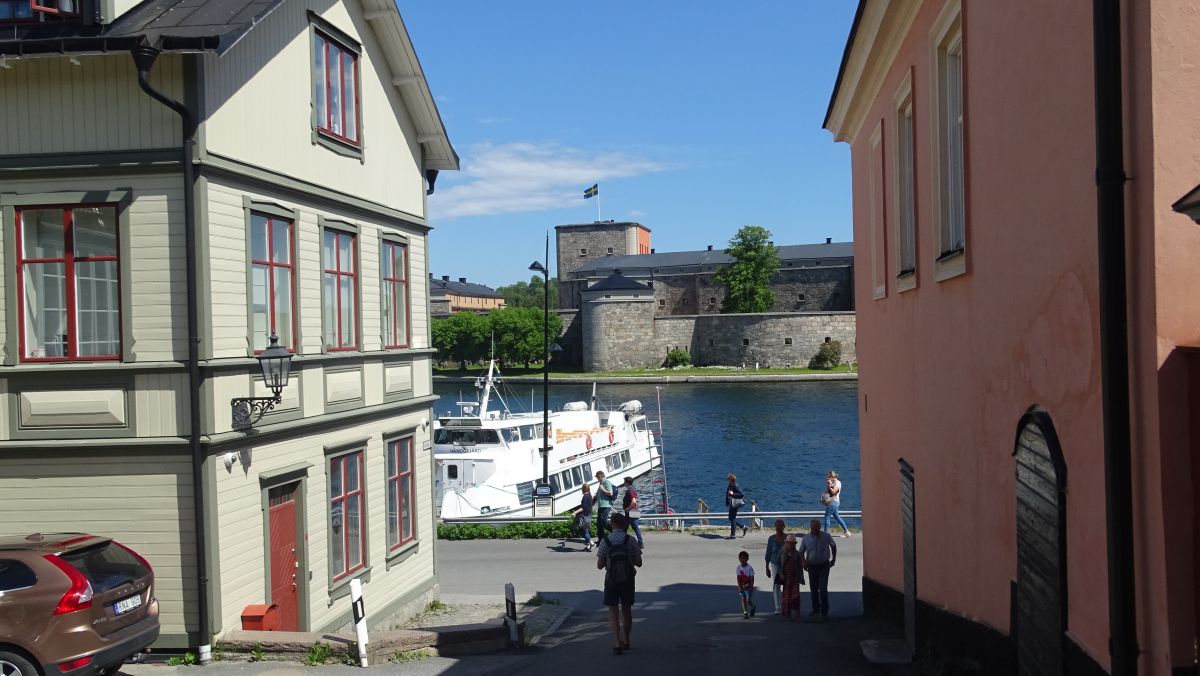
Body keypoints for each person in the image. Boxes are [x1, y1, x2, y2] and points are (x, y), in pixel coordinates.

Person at [597, 512, 642, 655]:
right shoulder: (631, 540)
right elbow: (639, 563)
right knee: (626, 610)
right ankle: (627, 640)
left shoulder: (605, 541)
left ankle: (617, 643)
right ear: (623, 524)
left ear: (611, 524)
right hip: (628, 579)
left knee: (613, 611)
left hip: (611, 580)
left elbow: (599, 565)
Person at [799, 518, 837, 619]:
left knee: (823, 588)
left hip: (824, 565)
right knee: (814, 589)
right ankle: (815, 609)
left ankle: (825, 610)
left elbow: (833, 546)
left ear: (820, 528)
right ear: (810, 528)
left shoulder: (826, 536)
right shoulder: (806, 538)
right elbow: (801, 552)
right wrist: (803, 562)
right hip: (811, 566)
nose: (815, 531)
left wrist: (833, 559)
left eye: (817, 529)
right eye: (813, 529)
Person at [764, 519, 788, 614]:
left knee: (786, 585)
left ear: (784, 527)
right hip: (774, 564)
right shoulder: (771, 539)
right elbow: (768, 553)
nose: (778, 528)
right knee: (776, 585)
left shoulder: (788, 538)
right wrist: (767, 568)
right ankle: (778, 607)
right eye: (777, 526)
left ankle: (786, 605)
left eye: (780, 526)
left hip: (786, 564)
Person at [778, 534, 804, 621]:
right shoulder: (782, 552)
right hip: (786, 578)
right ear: (786, 543)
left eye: (793, 543)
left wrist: (801, 578)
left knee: (796, 596)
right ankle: (787, 612)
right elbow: (778, 564)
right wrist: (780, 574)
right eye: (789, 543)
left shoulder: (797, 554)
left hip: (795, 578)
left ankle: (797, 614)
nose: (791, 545)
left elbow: (800, 567)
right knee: (786, 595)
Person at [824, 470, 852, 537]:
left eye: (829, 477)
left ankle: (826, 534)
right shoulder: (833, 482)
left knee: (827, 517)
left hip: (833, 502)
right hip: (833, 502)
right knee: (837, 517)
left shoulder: (837, 483)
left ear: (832, 476)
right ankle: (846, 532)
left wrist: (829, 485)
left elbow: (833, 492)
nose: (828, 478)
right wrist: (829, 484)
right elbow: (829, 491)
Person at [621, 476, 644, 547]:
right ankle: (639, 542)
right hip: (634, 510)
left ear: (627, 482)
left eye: (624, 482)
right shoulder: (633, 488)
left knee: (626, 527)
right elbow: (635, 500)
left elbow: (633, 501)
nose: (624, 483)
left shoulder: (630, 490)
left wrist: (628, 508)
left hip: (631, 512)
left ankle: (623, 541)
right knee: (633, 527)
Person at [572, 482, 595, 552]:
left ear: (583, 489)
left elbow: (583, 508)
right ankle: (588, 546)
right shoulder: (590, 495)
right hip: (589, 514)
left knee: (583, 530)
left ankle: (591, 543)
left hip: (584, 515)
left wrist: (575, 512)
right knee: (585, 530)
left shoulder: (585, 497)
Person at [725, 473, 748, 539]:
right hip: (731, 504)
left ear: (731, 479)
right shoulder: (730, 485)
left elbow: (742, 494)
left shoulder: (734, 485)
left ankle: (733, 535)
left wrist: (733, 494)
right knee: (731, 518)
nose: (728, 480)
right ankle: (743, 527)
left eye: (728, 479)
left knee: (732, 518)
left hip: (734, 504)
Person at [595, 471, 616, 540]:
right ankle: (601, 540)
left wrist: (602, 489)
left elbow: (610, 493)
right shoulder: (601, 483)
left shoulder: (607, 482)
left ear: (600, 476)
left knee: (603, 522)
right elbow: (597, 494)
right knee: (599, 524)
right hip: (601, 506)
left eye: (597, 477)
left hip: (606, 505)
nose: (597, 479)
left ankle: (615, 532)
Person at [735, 550, 756, 619]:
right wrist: (739, 587)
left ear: (747, 559)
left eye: (744, 558)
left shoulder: (750, 568)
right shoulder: (738, 567)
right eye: (740, 558)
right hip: (742, 586)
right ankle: (745, 612)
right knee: (743, 599)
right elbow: (738, 577)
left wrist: (751, 586)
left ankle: (752, 607)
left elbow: (752, 578)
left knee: (748, 600)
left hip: (748, 587)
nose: (742, 560)